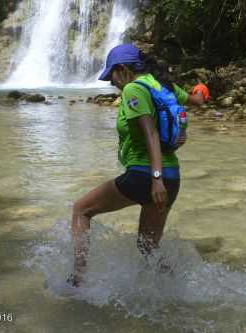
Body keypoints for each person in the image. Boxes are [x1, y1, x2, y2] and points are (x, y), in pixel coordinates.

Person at [69, 44, 210, 287]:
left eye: (111, 75)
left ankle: (77, 280)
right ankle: (181, 287)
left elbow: (151, 133)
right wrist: (202, 91)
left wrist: (155, 179)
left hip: (146, 177)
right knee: (148, 248)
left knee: (81, 210)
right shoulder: (164, 86)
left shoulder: (134, 89)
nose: (111, 83)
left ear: (123, 69)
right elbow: (196, 101)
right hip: (172, 178)